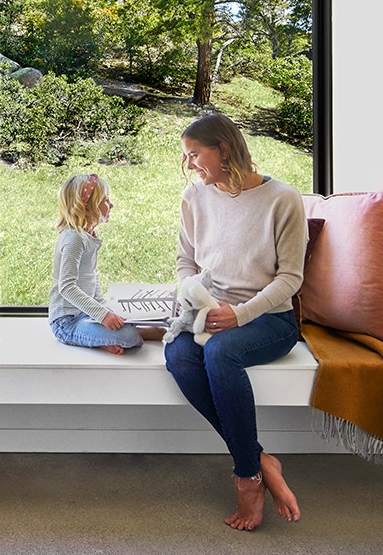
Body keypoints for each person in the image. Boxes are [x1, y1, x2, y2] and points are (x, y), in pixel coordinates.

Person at [164, 112, 307, 531]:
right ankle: (261, 460)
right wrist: (195, 295)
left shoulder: (283, 199)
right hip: (210, 314)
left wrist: (239, 313)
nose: (191, 165)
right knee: (178, 354)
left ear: (223, 149)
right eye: (187, 157)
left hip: (269, 321)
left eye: (195, 155)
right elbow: (185, 262)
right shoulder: (195, 198)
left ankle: (247, 480)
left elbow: (291, 279)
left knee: (222, 353)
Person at [48, 173, 143, 355]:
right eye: (105, 200)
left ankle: (103, 337)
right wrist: (103, 315)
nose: (111, 205)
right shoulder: (74, 239)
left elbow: (92, 278)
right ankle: (117, 338)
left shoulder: (88, 236)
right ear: (88, 206)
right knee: (129, 336)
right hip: (66, 323)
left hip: (86, 314)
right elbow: (66, 287)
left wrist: (105, 309)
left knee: (127, 321)